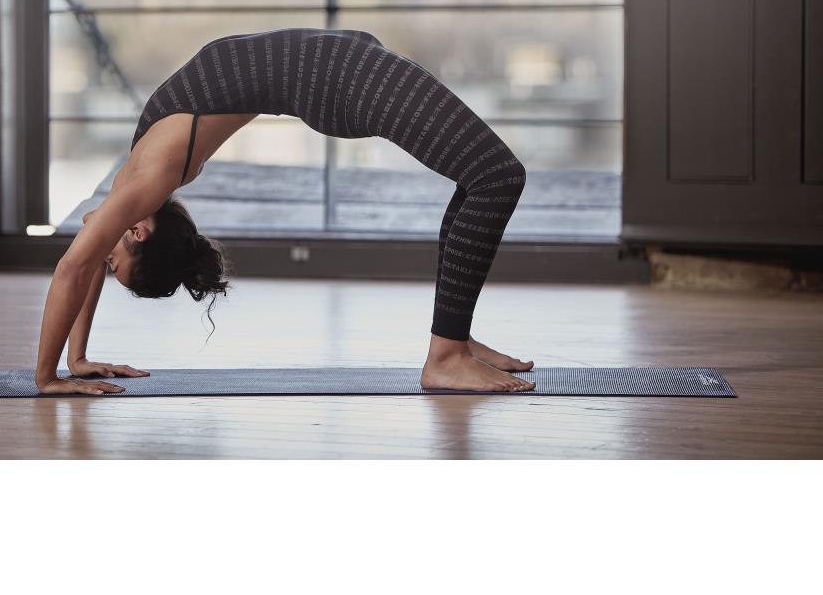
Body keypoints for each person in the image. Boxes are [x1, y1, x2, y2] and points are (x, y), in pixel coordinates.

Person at [35, 28, 534, 395]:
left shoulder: (142, 181)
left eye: (113, 264)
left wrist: (62, 367)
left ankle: (455, 343)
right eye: (112, 261)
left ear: (138, 233)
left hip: (339, 69)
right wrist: (64, 365)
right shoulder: (146, 181)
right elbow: (86, 261)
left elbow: (78, 264)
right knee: (496, 177)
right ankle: (446, 354)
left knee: (483, 178)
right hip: (339, 78)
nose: (103, 253)